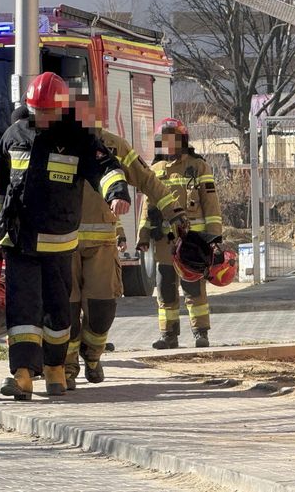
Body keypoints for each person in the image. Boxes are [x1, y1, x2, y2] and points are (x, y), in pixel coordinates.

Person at [0, 72, 131, 401]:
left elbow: (105, 168)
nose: (42, 117)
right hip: (18, 239)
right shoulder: (14, 135)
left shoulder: (79, 138)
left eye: (48, 111)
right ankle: (22, 375)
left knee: (57, 312)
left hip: (57, 242)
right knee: (22, 311)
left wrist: (115, 193)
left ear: (62, 108)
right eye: (36, 110)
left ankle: (54, 369)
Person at [64, 96, 188, 388]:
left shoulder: (115, 146)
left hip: (102, 246)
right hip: (62, 245)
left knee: (101, 309)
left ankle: (92, 357)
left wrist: (175, 212)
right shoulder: (58, 144)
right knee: (65, 312)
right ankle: (67, 369)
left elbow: (147, 180)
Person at [136, 118, 222, 349]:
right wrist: (142, 236)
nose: (169, 144)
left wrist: (214, 237)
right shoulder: (153, 170)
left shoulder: (198, 166)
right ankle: (168, 335)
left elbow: (211, 204)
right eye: (164, 140)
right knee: (165, 288)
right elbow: (147, 206)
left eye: (173, 139)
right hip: (164, 242)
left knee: (193, 287)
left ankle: (200, 333)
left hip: (193, 241)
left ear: (183, 140)